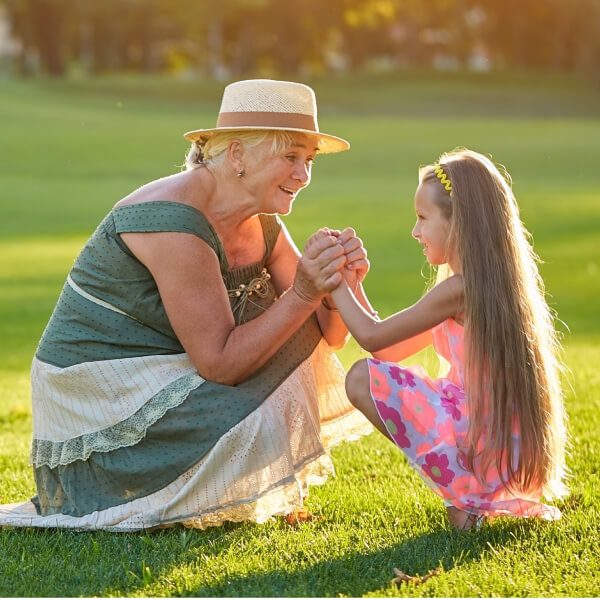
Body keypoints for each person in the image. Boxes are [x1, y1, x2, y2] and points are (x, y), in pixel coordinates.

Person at [0, 79, 373, 531]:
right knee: (280, 336)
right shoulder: (175, 220)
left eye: (308, 161)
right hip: (102, 391)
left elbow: (326, 337)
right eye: (290, 157)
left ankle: (228, 483)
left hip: (170, 370)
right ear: (237, 155)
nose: (303, 175)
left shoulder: (261, 221)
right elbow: (220, 363)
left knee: (292, 339)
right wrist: (304, 292)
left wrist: (343, 283)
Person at [319, 148, 568, 529]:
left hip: (480, 438)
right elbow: (387, 348)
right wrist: (354, 286)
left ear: (459, 224)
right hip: (498, 440)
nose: (415, 231)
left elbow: (370, 338)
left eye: (422, 218)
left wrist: (333, 284)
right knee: (374, 375)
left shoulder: (459, 290)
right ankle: (466, 498)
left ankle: (462, 496)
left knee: (359, 377)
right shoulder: (489, 286)